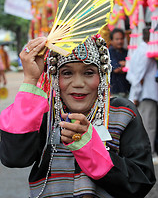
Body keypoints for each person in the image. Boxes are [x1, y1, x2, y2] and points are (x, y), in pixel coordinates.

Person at [0, 35, 156, 198]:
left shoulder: (122, 113)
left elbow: (141, 183)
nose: (78, 83)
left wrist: (90, 148)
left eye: (89, 72)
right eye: (67, 73)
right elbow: (14, 157)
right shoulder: (44, 113)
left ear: (102, 75)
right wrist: (30, 79)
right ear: (55, 77)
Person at [126, 27, 158, 163]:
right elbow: (139, 76)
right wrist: (136, 95)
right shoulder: (146, 51)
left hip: (141, 94)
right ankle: (149, 154)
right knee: (148, 125)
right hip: (145, 95)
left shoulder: (140, 49)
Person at [109, 28, 130, 97]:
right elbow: (116, 69)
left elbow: (132, 67)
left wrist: (123, 65)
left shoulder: (126, 52)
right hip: (116, 90)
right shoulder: (109, 52)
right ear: (111, 41)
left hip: (126, 89)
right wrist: (126, 65)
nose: (120, 41)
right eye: (117, 39)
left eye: (121, 39)